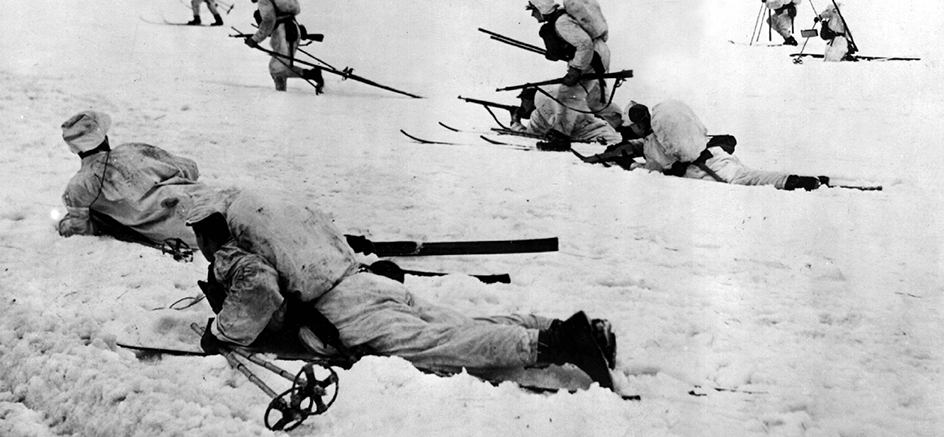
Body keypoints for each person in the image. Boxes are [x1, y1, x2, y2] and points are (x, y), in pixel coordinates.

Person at [181, 186, 617, 388]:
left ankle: (560, 343)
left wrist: (220, 334)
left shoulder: (230, 251)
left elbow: (258, 289)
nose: (199, 244)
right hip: (367, 283)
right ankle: (564, 328)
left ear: (208, 229)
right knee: (457, 325)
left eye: (197, 235)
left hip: (344, 311)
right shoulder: (272, 210)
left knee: (441, 346)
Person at [583, 100, 826, 191]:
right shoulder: (660, 128)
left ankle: (795, 181)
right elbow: (646, 142)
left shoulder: (655, 142)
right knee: (748, 173)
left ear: (638, 124)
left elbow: (655, 171)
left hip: (705, 169)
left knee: (746, 180)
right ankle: (802, 178)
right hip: (714, 152)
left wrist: (630, 165)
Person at [57, 111, 205, 249]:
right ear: (105, 137)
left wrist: (66, 221)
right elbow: (191, 168)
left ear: (75, 150)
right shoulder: (133, 149)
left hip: (186, 234)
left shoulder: (79, 184)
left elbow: (78, 229)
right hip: (203, 201)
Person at [526, 0, 624, 151]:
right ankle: (617, 126)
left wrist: (576, 69)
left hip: (593, 57)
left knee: (567, 94)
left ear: (542, 8)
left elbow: (584, 44)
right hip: (597, 55)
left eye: (534, 10)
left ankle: (560, 139)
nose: (532, 15)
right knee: (591, 97)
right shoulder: (560, 20)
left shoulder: (561, 22)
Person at [243, 0, 324, 93]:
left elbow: (268, 21)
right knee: (280, 67)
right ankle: (281, 93)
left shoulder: (263, 0)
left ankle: (312, 74)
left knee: (276, 68)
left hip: (284, 33)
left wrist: (255, 39)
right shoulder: (269, 0)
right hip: (288, 30)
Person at [513, 87, 621, 144]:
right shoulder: (566, 101)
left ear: (530, 99)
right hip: (608, 135)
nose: (522, 105)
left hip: (596, 142)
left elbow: (528, 137)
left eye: (524, 100)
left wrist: (515, 122)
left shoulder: (540, 113)